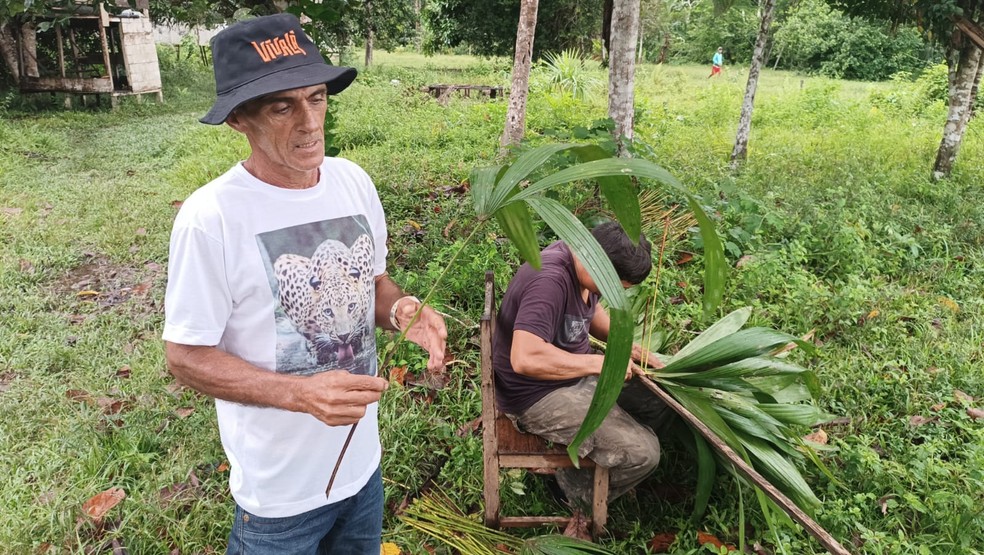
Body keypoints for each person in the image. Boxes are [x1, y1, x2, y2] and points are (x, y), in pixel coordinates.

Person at [162, 14, 447, 555]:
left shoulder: (352, 182)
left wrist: (404, 312)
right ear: (238, 121)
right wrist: (298, 394)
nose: (309, 121)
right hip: (279, 498)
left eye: (316, 98)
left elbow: (376, 284)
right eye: (281, 106)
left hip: (362, 469)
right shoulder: (213, 217)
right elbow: (185, 356)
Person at [492, 221, 673, 508]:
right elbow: (525, 358)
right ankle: (569, 491)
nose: (617, 294)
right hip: (535, 395)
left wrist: (626, 344)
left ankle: (605, 452)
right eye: (614, 286)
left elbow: (591, 309)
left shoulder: (584, 259)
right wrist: (598, 364)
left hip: (571, 376)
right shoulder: (549, 280)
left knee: (662, 397)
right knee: (643, 453)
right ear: (597, 262)